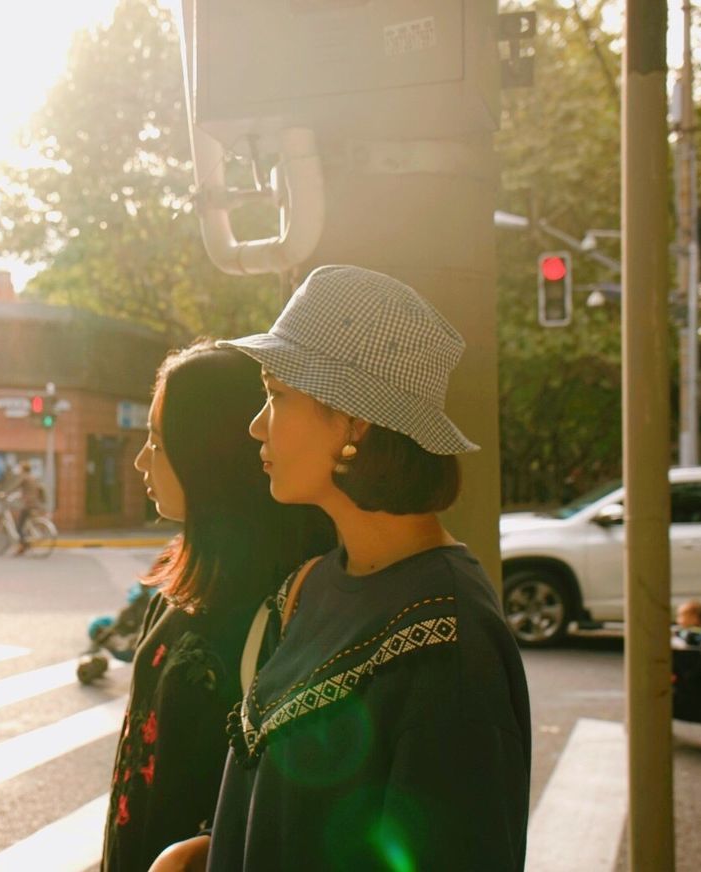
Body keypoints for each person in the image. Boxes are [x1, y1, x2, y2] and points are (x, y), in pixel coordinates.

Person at [153, 266, 531, 871]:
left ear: (355, 421)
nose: (256, 424)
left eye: (276, 394)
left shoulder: (450, 641)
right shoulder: (308, 587)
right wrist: (198, 857)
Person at [100, 340, 335, 872]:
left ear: (209, 454)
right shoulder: (184, 575)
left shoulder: (291, 602)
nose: (142, 461)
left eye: (159, 443)